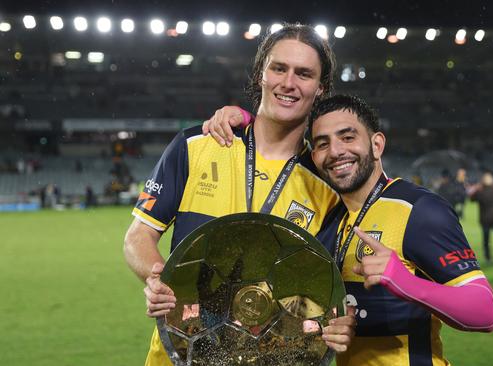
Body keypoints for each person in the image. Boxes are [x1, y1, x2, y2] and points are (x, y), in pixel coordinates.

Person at [123, 24, 355, 366]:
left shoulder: (327, 191)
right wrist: (158, 278)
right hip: (179, 353)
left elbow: (320, 296)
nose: (288, 83)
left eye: (304, 74)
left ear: (320, 88)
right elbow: (138, 236)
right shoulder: (196, 146)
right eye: (279, 68)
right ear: (261, 73)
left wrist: (339, 321)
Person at [308, 95, 493, 365]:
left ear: (376, 145)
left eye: (348, 137)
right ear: (314, 156)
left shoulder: (419, 209)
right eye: (322, 144)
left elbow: (484, 311)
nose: (336, 151)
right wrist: (322, 328)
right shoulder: (326, 220)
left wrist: (405, 282)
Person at [469, 171, 493, 264]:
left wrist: (476, 188)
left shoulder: (481, 191)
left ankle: (490, 257)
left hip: (487, 219)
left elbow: (472, 199)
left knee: (488, 239)